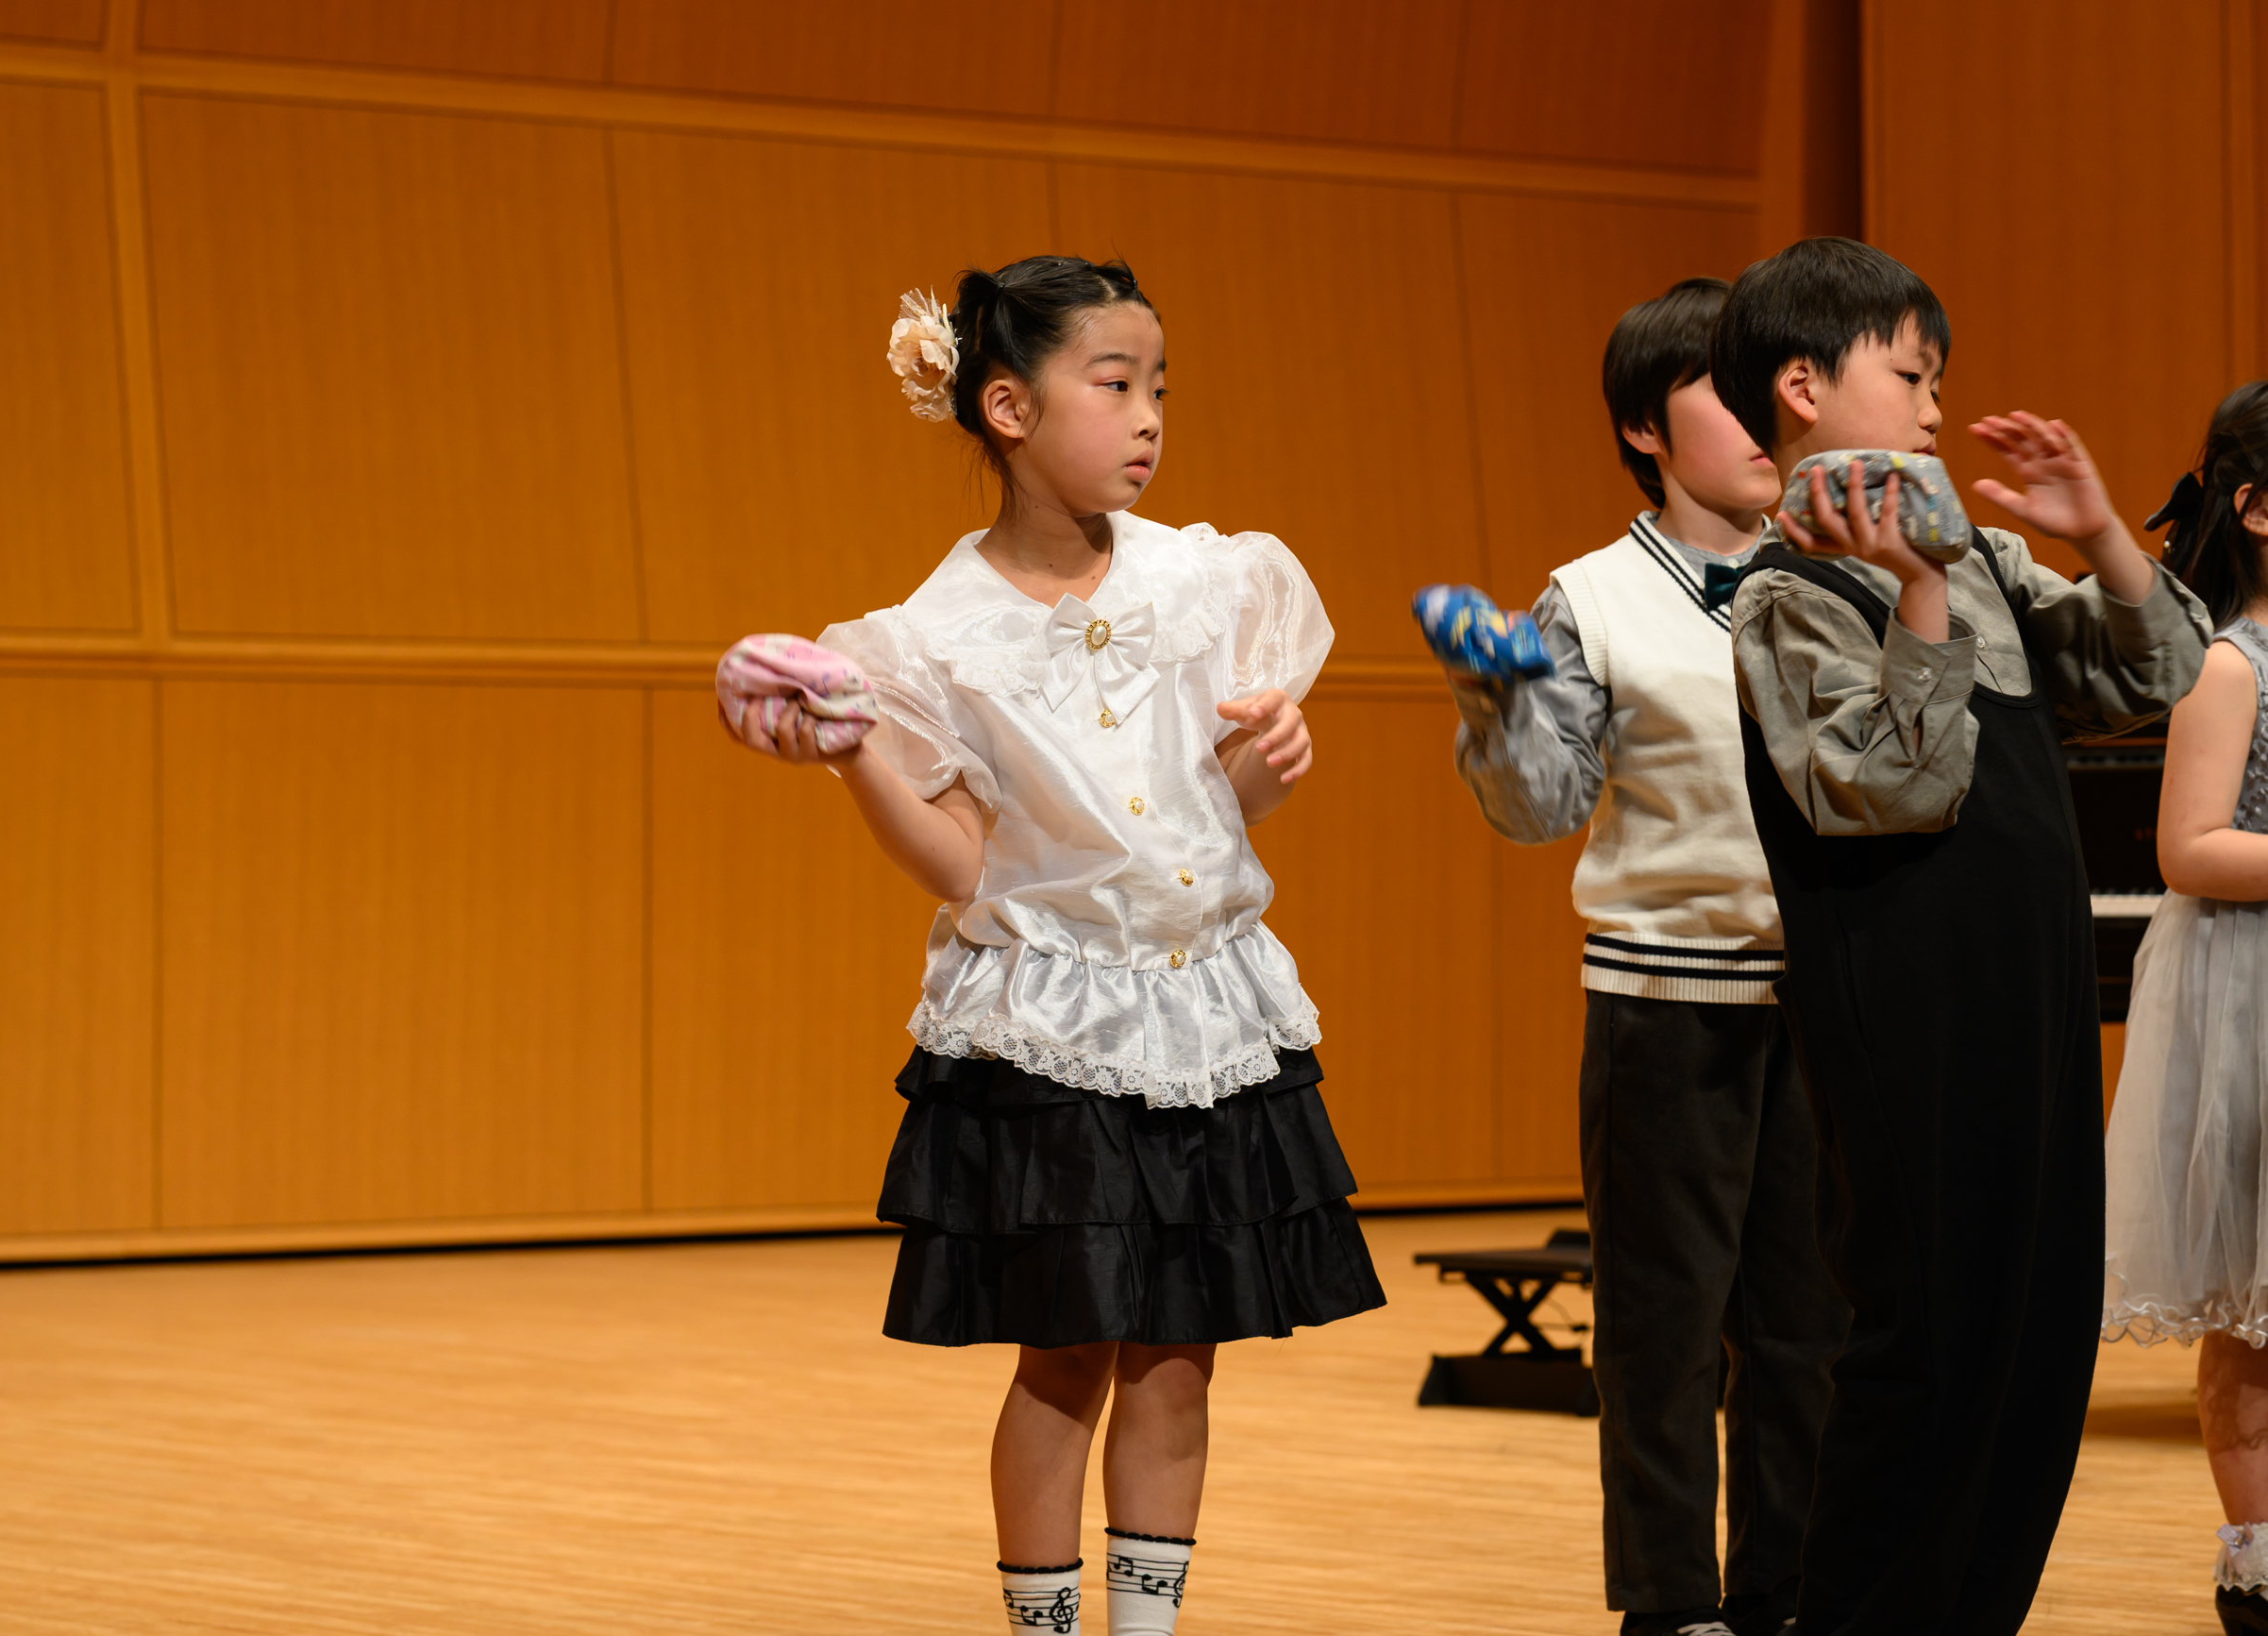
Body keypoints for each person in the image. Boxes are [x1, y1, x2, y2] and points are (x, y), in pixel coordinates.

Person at [725, 255, 1384, 1636]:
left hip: (1207, 1010)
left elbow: (1217, 804)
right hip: (1053, 1023)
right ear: (1010, 408)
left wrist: (1270, 758)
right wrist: (855, 757)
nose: (1149, 417)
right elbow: (962, 863)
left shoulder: (1207, 580)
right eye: (1116, 383)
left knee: (1181, 1352)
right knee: (1067, 1352)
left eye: (1161, 389)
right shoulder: (932, 637)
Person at [1713, 235, 2212, 1635]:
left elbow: (2156, 675)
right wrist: (1919, 592)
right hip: (1907, 1012)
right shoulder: (1784, 593)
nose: (1938, 407)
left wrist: (2099, 532)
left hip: (2025, 992)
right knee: (1928, 1338)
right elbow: (1890, 789)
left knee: (2036, 1333)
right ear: (1803, 387)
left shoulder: (1982, 554)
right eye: (1912, 375)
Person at [1439, 277, 1843, 1636]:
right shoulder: (1592, 598)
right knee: (1664, 1332)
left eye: (1774, 386)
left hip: (1822, 1005)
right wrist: (1499, 697)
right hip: (1667, 1003)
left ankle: (1787, 1595)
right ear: (1643, 428)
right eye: (1724, 393)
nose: (1764, 418)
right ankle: (1670, 1608)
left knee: (1807, 1329)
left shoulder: (1836, 571)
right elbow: (1541, 806)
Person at [2103, 379, 2268, 1635]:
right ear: (2257, 509)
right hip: (2252, 994)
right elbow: (2189, 846)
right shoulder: (2229, 662)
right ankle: (2256, 1565)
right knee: (2257, 1318)